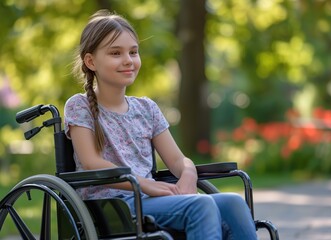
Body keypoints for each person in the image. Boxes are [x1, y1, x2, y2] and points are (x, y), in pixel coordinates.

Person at [64, 9, 257, 240]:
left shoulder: (147, 109)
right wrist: (144, 184)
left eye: (133, 52)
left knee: (233, 203)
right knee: (201, 206)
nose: (128, 60)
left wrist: (188, 173)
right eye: (115, 53)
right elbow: (91, 162)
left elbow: (177, 159)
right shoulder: (79, 105)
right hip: (113, 205)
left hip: (150, 199)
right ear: (90, 61)